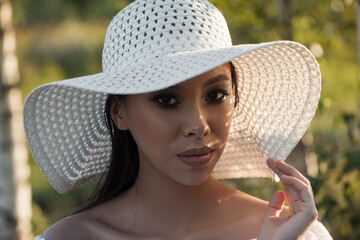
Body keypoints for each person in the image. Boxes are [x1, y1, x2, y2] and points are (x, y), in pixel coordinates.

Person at [24, 0, 332, 239]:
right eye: (167, 100)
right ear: (119, 112)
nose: (198, 125)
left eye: (216, 96)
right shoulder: (71, 238)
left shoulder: (292, 233)